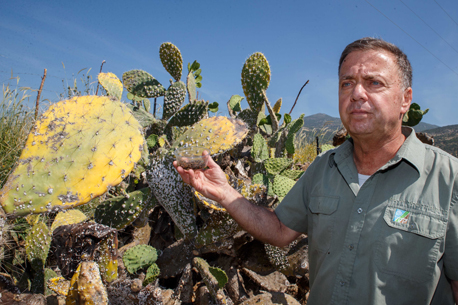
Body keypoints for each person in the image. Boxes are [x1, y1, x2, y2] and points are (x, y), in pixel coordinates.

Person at [173, 37, 458, 305]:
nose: (357, 93)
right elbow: (280, 229)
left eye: (374, 83)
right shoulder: (323, 168)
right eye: (347, 83)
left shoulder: (449, 179)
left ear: (405, 99)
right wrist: (224, 192)